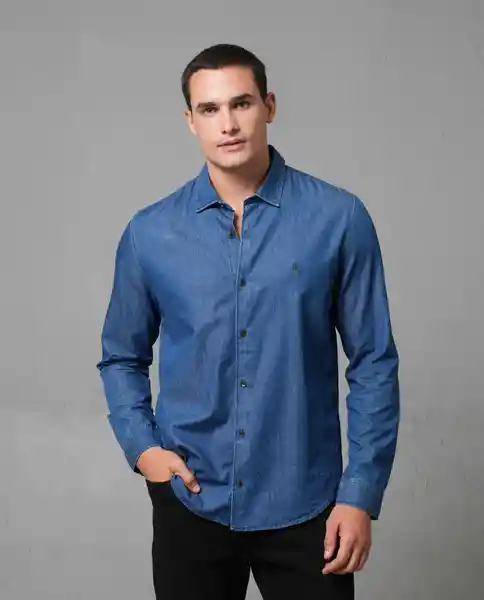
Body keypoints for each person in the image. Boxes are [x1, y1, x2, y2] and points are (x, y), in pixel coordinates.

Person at [96, 43, 400, 600]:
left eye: (241, 103)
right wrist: (144, 450)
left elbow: (374, 362)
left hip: (309, 507)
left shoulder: (339, 219)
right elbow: (120, 356)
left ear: (269, 106)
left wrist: (359, 492)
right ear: (190, 121)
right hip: (192, 501)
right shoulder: (150, 234)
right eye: (209, 109)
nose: (228, 124)